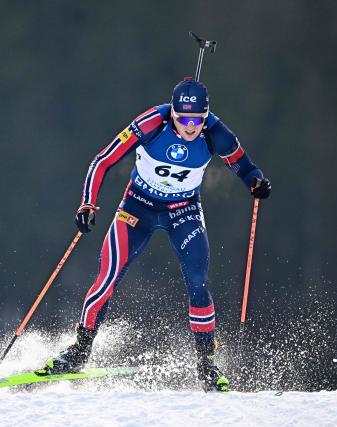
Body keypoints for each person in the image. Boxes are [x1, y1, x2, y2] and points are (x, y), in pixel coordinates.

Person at [40, 77, 271, 391]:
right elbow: (102, 160)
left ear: (205, 118)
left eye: (197, 121)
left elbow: (244, 167)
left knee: (199, 282)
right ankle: (79, 351)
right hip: (138, 207)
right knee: (107, 277)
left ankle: (206, 365)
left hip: (183, 210)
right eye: (183, 119)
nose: (190, 127)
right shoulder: (151, 122)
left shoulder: (217, 134)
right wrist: (89, 204)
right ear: (173, 113)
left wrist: (256, 181)